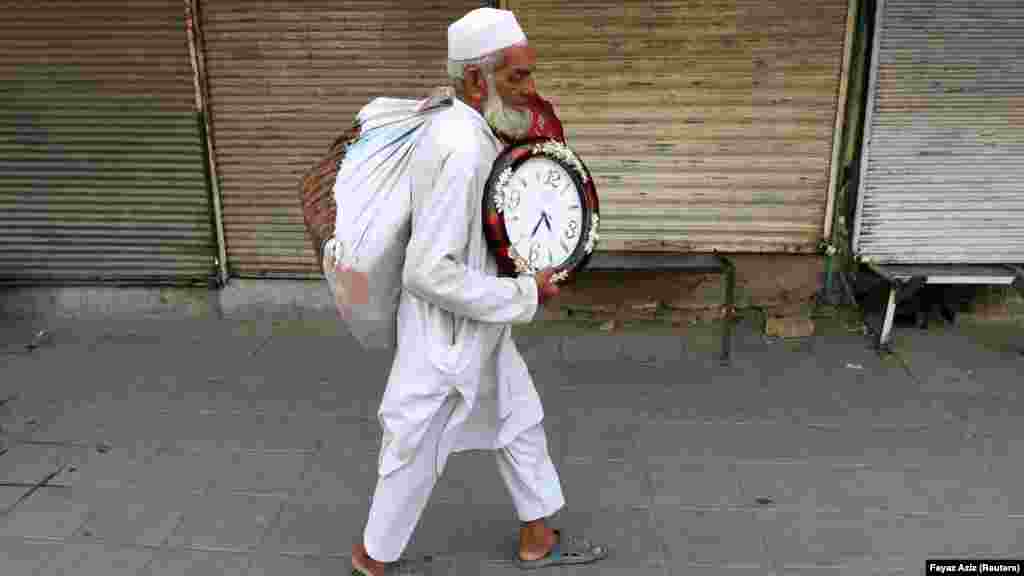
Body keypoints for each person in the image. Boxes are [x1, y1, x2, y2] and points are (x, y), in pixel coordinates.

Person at [350, 7, 609, 575]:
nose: (531, 89)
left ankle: (537, 535)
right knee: (413, 446)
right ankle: (371, 558)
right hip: (447, 338)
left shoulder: (465, 126)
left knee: (519, 417)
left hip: (477, 326)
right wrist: (525, 295)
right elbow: (427, 270)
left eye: (530, 73)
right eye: (517, 76)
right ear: (475, 79)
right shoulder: (464, 149)